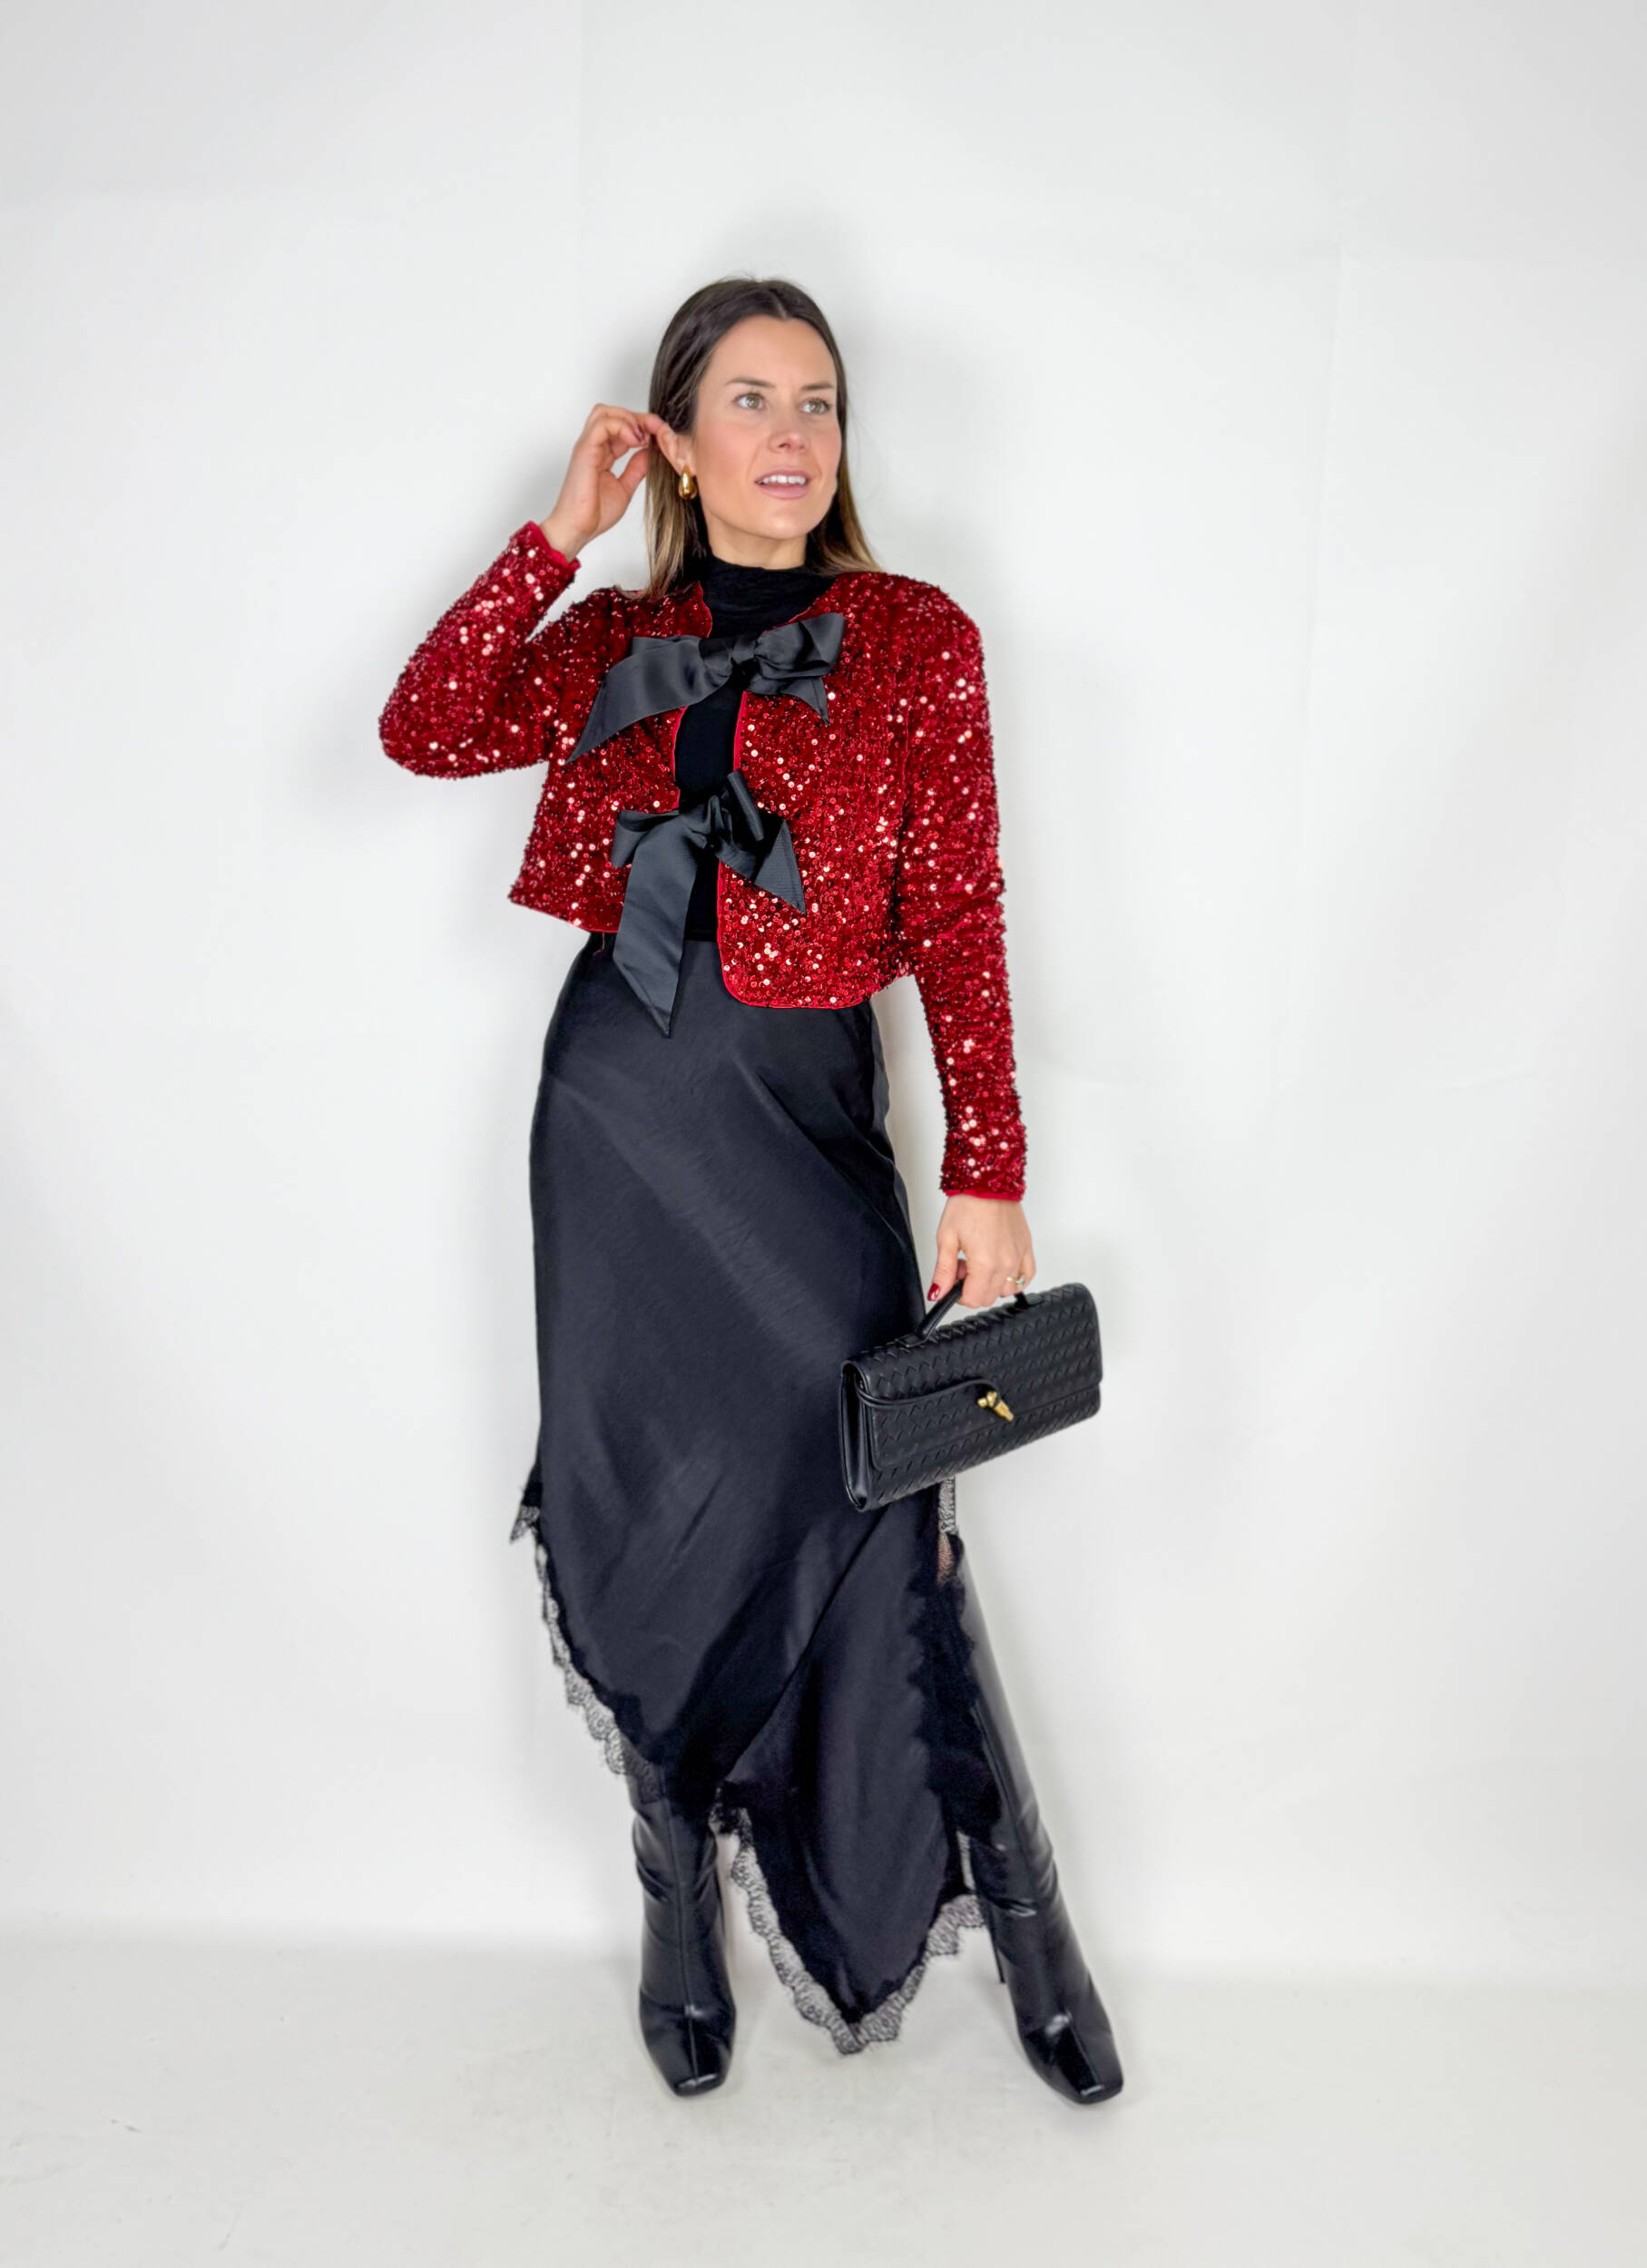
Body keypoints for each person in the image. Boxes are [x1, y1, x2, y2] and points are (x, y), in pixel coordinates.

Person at [378, 275, 1123, 2107]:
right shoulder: (611, 633)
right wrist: (555, 531)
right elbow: (425, 723)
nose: (791, 435)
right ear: (679, 437)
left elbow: (959, 911)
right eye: (748, 400)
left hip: (802, 1124)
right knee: (653, 1510)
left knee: (888, 1514)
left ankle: (1030, 1920)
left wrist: (989, 1162)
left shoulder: (915, 636)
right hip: (619, 1120)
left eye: (818, 402)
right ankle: (673, 1892)